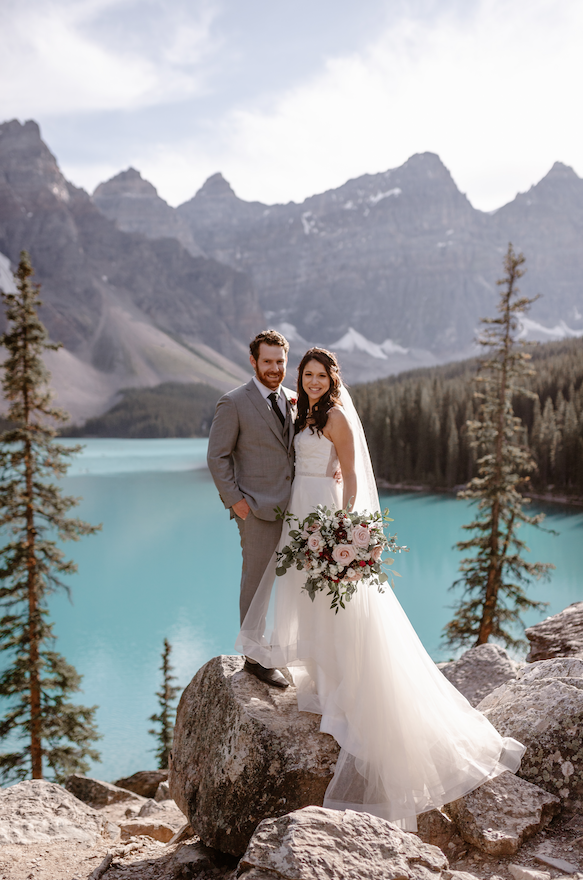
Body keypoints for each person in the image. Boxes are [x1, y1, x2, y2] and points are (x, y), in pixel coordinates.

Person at [236, 347, 525, 831]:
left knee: (342, 607)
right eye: (305, 375)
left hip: (325, 517)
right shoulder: (302, 410)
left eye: (318, 375)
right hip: (299, 516)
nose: (311, 381)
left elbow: (350, 477)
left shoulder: (337, 417)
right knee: (312, 602)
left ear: (332, 378)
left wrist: (344, 529)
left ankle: (355, 694)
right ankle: (327, 682)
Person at [207, 329, 296, 689]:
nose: (274, 368)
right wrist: (238, 504)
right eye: (268, 361)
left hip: (296, 509)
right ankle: (255, 656)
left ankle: (290, 647)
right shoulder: (234, 402)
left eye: (280, 361)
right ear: (253, 361)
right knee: (257, 583)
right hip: (257, 510)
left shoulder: (292, 398)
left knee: (296, 585)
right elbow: (217, 457)